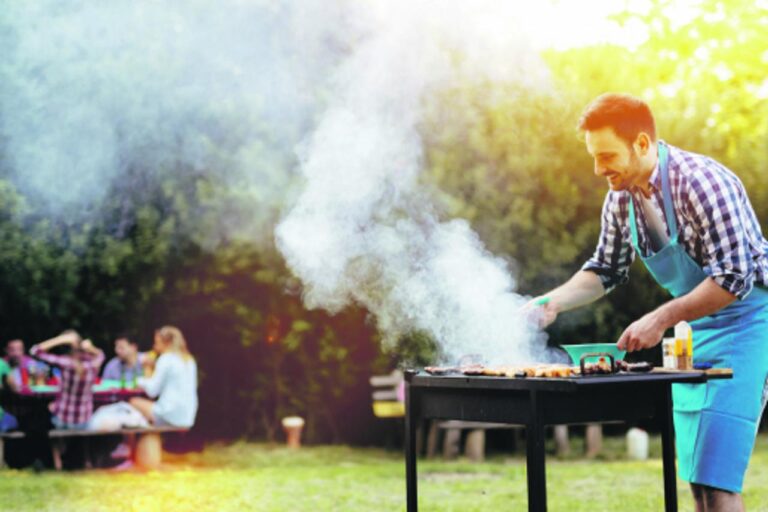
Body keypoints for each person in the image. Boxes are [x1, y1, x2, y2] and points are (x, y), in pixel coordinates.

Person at [527, 93, 768, 511]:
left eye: (606, 157)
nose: (599, 169)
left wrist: (660, 318)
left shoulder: (704, 183)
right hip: (695, 331)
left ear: (641, 144)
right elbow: (605, 269)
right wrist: (551, 303)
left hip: (751, 322)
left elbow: (733, 279)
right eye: (594, 158)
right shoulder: (621, 198)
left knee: (719, 477)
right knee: (697, 479)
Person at [30, 331, 105, 429]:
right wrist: (91, 348)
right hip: (84, 421)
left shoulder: (65, 362)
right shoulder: (93, 364)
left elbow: (35, 351)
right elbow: (101, 355)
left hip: (62, 420)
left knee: (47, 409)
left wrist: (59, 339)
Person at [130, 326, 197, 428]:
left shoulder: (166, 358)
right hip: (188, 416)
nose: (154, 346)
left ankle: (131, 442)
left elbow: (152, 391)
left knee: (133, 402)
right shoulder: (189, 359)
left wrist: (138, 380)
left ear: (167, 342)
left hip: (170, 414)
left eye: (157, 342)